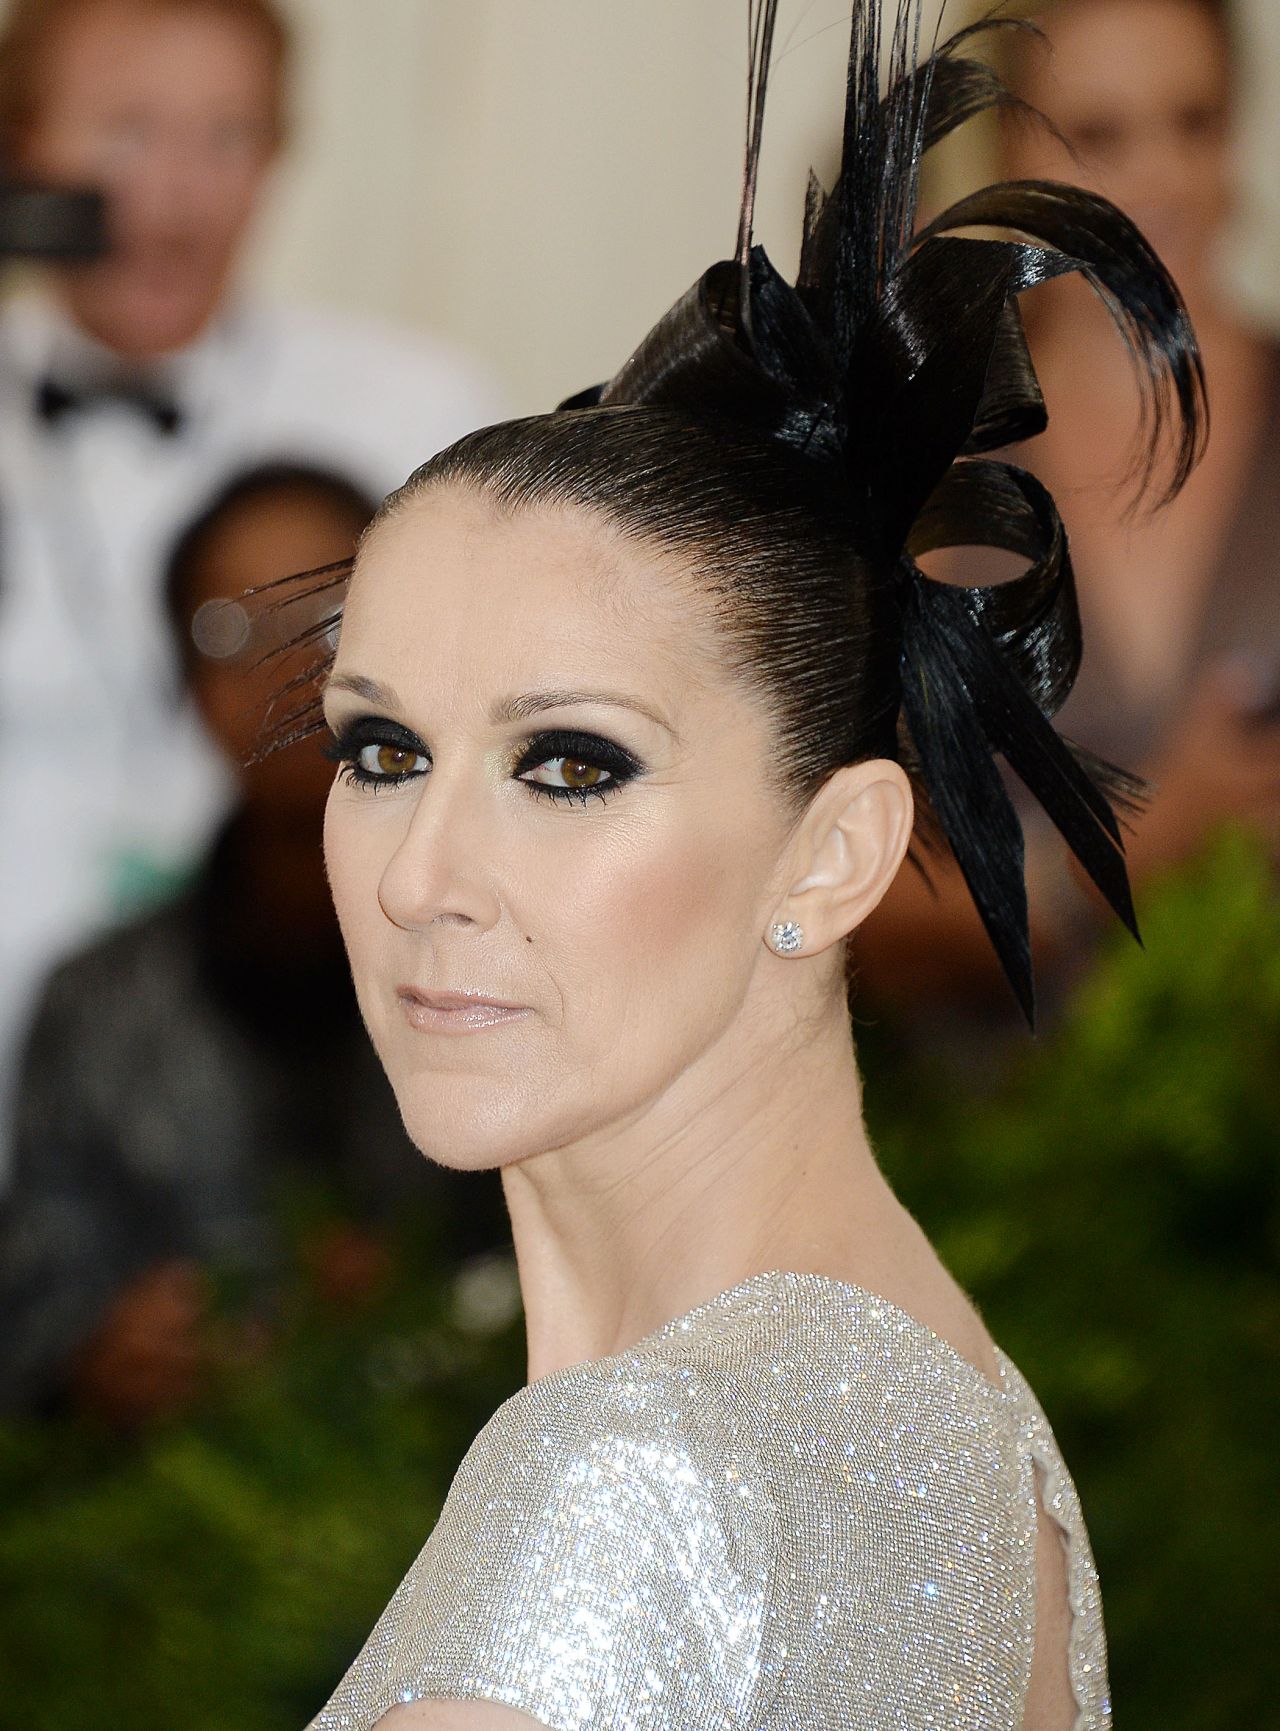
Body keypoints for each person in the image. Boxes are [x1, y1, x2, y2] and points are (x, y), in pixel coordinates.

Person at [292, 3, 1203, 1726]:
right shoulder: (955, 1415)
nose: (421, 876)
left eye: (571, 765)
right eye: (381, 749)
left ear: (837, 851)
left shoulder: (631, 1486)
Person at [0, 0, 503, 1182]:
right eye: (125, 134)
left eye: (227, 138)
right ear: (22, 152)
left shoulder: (416, 414)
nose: (177, 196)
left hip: (293, 1119)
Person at [0, 463, 506, 1426]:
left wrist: (427, 1295)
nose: (294, 669)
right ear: (187, 687)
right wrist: (97, 1356)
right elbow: (31, 1303)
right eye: (235, 632)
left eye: (331, 620)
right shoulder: (94, 1006)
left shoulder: (514, 951)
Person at [856, 0, 1280, 1020]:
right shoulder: (910, 464)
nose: (1161, 178)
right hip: (995, 1098)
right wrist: (1114, 862)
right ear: (1006, 150)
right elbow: (807, 893)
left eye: (1195, 122)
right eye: (1099, 135)